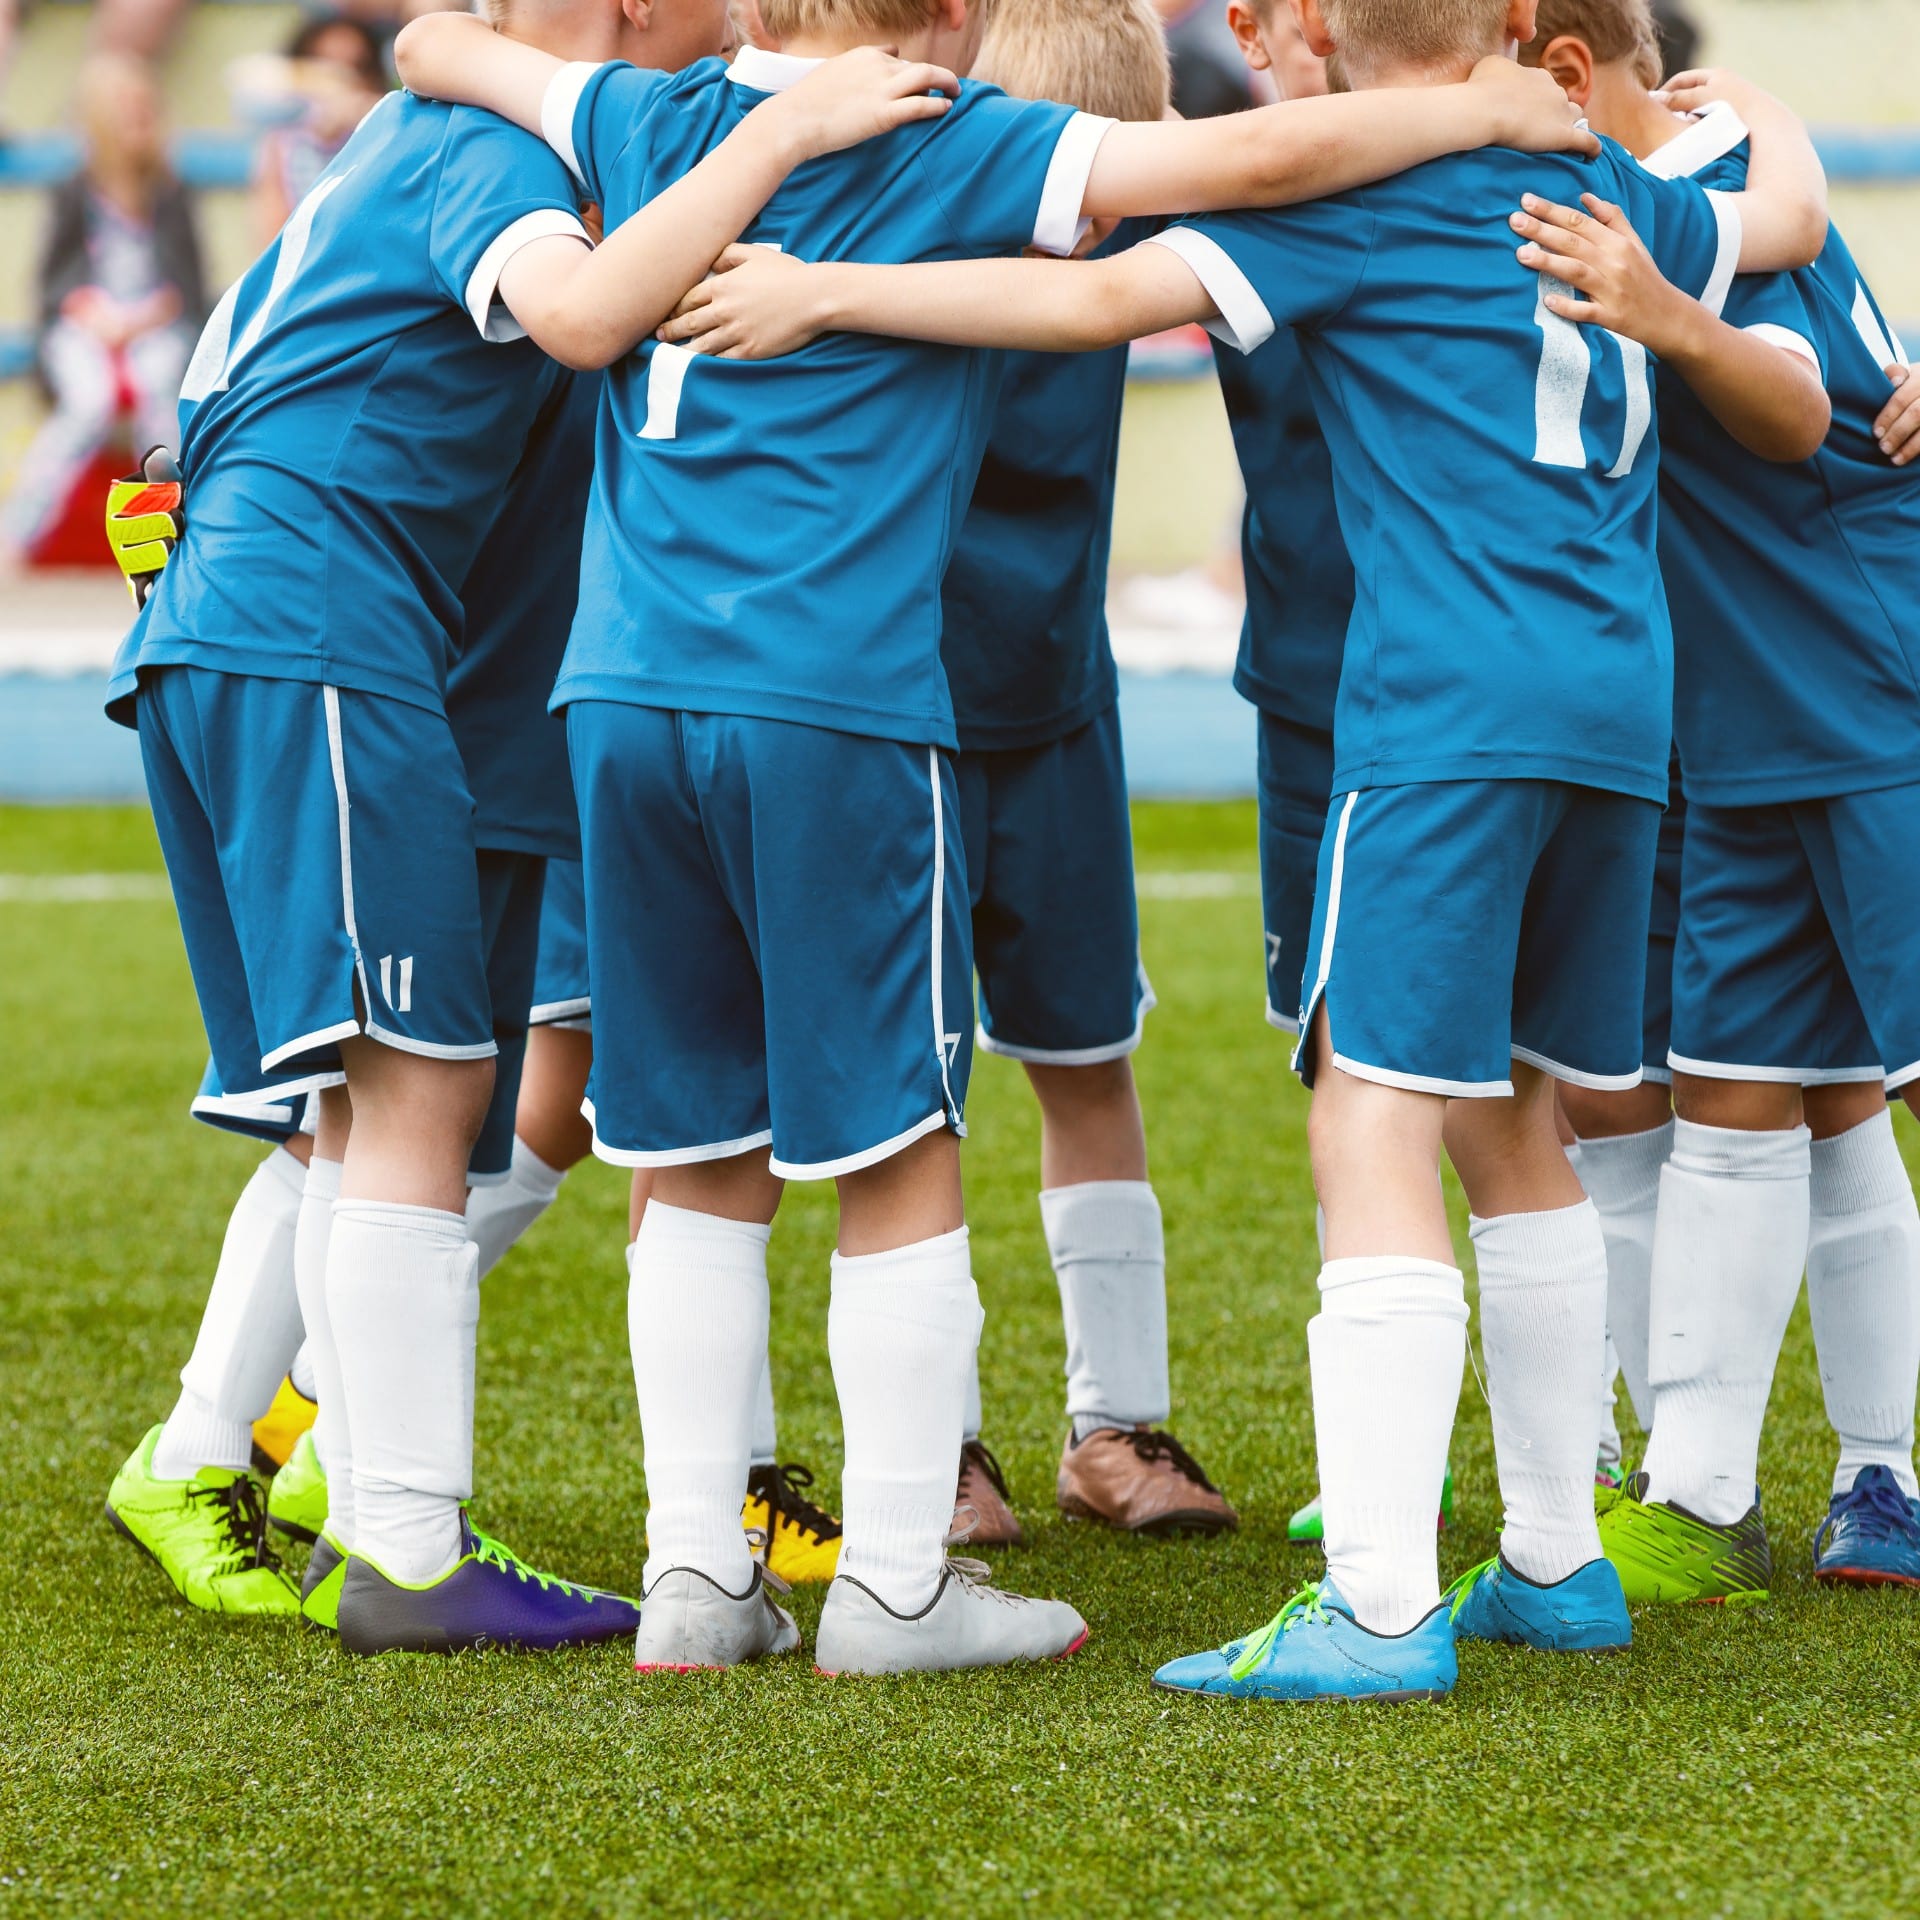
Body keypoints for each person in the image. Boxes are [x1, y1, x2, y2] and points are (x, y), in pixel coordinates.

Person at [396, 0, 1593, 1677]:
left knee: (691, 1165)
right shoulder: (952, 135)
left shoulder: (639, 116)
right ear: (954, 19)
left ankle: (695, 1582)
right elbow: (1249, 152)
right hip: (833, 695)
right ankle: (896, 1588)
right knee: (899, 1149)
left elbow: (446, 52)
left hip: (620, 691)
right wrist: (1478, 111)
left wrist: (472, 52)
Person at [654, 0, 1829, 1698]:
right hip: (1616, 700)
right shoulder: (1606, 184)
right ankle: (1559, 1561)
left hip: (1448, 708)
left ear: (1340, 41)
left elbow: (1083, 301)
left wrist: (825, 290)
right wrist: (1763, 120)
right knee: (1517, 1114)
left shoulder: (1358, 199)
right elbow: (1778, 251)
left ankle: (1378, 1607)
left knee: (1371, 1117)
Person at [102, 0, 961, 1660]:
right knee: (427, 1085)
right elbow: (571, 314)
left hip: (292, 624)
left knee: (381, 1097)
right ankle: (400, 1546)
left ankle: (349, 1494)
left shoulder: (452, 117)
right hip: (315, 623)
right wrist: (786, 136)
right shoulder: (498, 147)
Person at [1520, 0, 1920, 1598]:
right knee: (1751, 1096)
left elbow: (1804, 403)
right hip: (1742, 734)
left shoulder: (1702, 180)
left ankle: (1878, 1471)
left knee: (1849, 1099)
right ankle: (1706, 1493)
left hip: (1869, 700)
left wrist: (1670, 317)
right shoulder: (1696, 166)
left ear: (1562, 69)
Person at [931, 0, 1236, 1547]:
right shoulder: (915, 233)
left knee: (1086, 1060)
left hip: (1055, 703)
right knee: (910, 1104)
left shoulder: (1148, 238)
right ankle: (943, 1446)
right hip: (897, 714)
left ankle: (1113, 1429)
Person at [0, 55, 203, 569]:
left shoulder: (170, 192)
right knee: (85, 405)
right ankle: (18, 534)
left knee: (161, 412)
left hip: (157, 322)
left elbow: (188, 283)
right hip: (88, 323)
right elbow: (55, 282)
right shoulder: (74, 192)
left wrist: (144, 317)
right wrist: (95, 315)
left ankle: (164, 537)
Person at [243, 15, 390, 244]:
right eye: (324, 65)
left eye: (357, 67)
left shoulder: (387, 133)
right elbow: (271, 237)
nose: (341, 79)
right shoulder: (282, 143)